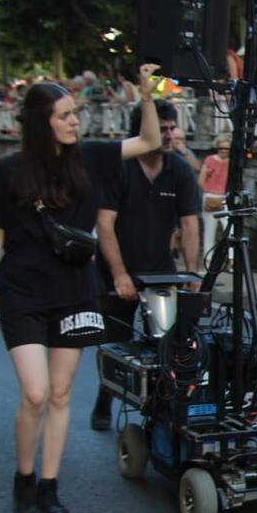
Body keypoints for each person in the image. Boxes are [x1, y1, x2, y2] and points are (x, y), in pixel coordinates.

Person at [0, 65, 162, 513]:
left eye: (74, 113)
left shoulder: (91, 159)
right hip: (22, 293)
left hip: (75, 292)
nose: (75, 121)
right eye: (65, 115)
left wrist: (146, 95)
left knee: (59, 394)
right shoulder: (9, 170)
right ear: (43, 122)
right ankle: (23, 478)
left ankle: (49, 486)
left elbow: (149, 142)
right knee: (35, 393)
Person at [90, 99, 201, 430]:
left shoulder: (179, 170)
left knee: (167, 344)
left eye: (171, 128)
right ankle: (104, 398)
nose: (167, 135)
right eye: (161, 128)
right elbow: (104, 223)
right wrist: (120, 274)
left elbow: (190, 224)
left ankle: (160, 410)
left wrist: (191, 272)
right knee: (117, 340)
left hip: (161, 269)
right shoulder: (118, 167)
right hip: (118, 268)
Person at [198, 137, 232, 271]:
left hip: (225, 197)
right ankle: (208, 260)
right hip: (210, 196)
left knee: (230, 230)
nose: (224, 151)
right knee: (209, 231)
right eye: (221, 148)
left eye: (226, 148)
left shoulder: (231, 163)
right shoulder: (210, 160)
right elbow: (201, 181)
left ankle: (231, 260)